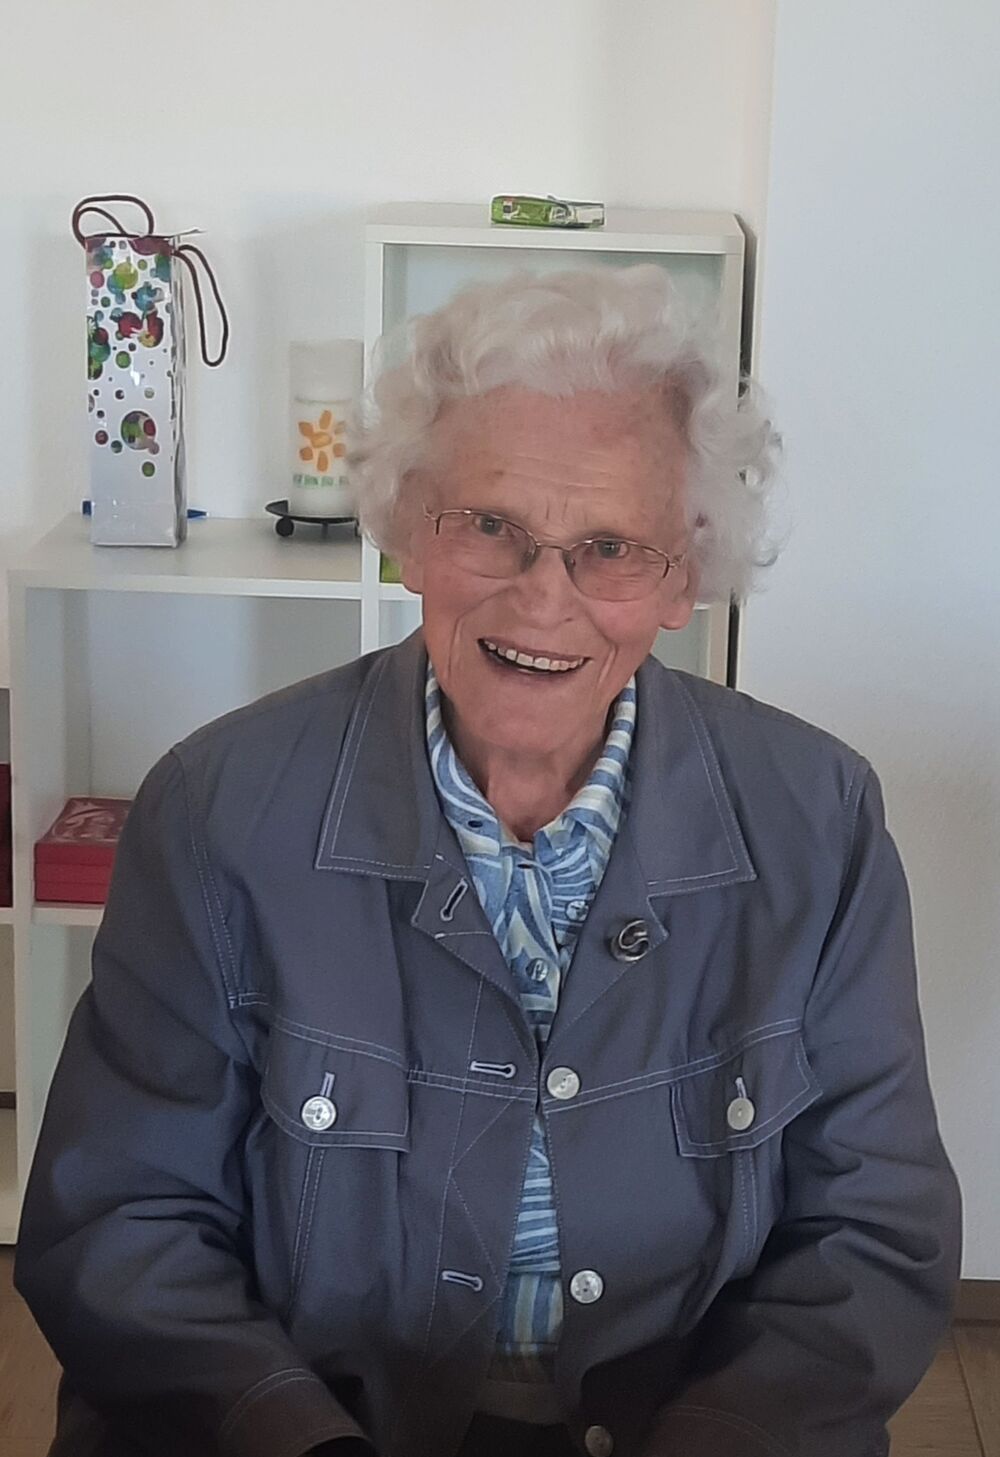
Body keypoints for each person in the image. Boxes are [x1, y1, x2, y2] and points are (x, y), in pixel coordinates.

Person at [14, 265, 961, 1457]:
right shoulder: (217, 810)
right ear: (410, 527)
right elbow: (120, 1217)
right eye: (490, 526)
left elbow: (874, 1226)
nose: (542, 598)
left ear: (683, 575)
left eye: (609, 546)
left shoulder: (816, 817)